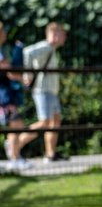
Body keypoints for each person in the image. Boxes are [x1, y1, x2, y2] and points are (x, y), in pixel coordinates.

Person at [17, 22, 70, 163]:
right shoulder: (45, 46)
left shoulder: (51, 49)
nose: (64, 37)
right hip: (42, 91)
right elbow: (27, 51)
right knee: (44, 122)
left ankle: (50, 154)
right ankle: (15, 145)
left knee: (55, 120)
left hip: (51, 92)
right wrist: (27, 74)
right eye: (62, 34)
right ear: (55, 34)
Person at [0, 22, 31, 170]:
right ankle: (15, 157)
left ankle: (15, 157)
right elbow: (9, 71)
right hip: (3, 96)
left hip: (5, 95)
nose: (5, 35)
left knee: (15, 125)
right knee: (16, 125)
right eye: (3, 32)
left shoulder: (2, 50)